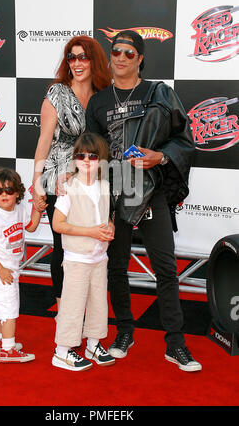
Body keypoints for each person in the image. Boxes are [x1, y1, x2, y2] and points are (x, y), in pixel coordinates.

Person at [85, 30, 202, 372]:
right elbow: (91, 152)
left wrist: (160, 158)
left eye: (129, 53)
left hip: (152, 192)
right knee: (116, 267)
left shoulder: (160, 93)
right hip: (115, 194)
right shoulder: (99, 102)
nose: (120, 57)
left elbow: (184, 139)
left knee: (166, 268)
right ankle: (124, 331)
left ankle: (175, 343)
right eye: (116, 51)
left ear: (140, 59)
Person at [32, 35, 111, 310]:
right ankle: (65, 309)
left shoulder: (105, 94)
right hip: (59, 179)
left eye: (83, 57)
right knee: (63, 245)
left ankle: (87, 306)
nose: (76, 63)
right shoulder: (57, 93)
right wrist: (37, 185)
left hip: (93, 178)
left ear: (94, 61)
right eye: (72, 57)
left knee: (91, 245)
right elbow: (44, 140)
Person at [51, 132, 115, 371]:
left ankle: (93, 344)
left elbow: (107, 218)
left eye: (92, 156)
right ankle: (62, 352)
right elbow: (58, 225)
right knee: (73, 305)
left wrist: (110, 228)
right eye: (81, 155)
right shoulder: (68, 187)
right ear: (74, 159)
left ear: (101, 159)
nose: (86, 160)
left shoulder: (105, 187)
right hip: (77, 258)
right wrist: (91, 232)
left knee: (99, 304)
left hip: (100, 258)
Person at [0, 167, 41, 363]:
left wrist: (38, 210)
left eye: (8, 190)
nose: (4, 194)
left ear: (17, 192)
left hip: (10, 269)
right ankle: (8, 349)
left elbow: (30, 227)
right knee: (9, 309)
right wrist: (0, 270)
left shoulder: (20, 209)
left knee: (1, 307)